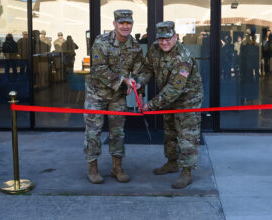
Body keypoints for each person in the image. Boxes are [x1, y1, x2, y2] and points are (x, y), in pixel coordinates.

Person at [136, 21, 203, 189]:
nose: (164, 43)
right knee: (170, 132)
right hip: (168, 99)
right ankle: (172, 162)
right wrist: (139, 85)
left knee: (187, 135)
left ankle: (187, 172)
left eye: (168, 39)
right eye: (161, 39)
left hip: (187, 100)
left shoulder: (183, 58)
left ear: (175, 37)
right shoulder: (155, 49)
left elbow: (174, 90)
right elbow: (147, 69)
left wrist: (149, 106)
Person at [84, 9, 143, 184]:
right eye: (122, 23)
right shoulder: (101, 42)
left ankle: (117, 167)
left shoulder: (135, 46)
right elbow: (98, 69)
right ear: (114, 24)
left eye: (128, 23)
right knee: (93, 133)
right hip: (97, 94)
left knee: (118, 132)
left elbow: (139, 69)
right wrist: (124, 80)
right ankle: (92, 168)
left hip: (117, 97)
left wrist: (137, 83)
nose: (125, 26)